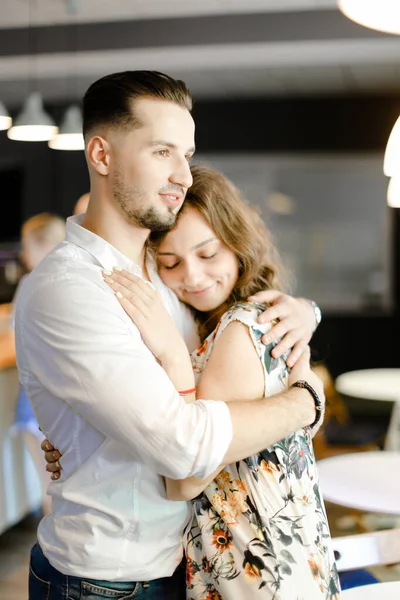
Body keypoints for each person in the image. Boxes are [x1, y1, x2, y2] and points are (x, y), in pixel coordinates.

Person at [14, 70, 324, 599]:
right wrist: (305, 403)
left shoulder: (161, 271)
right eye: (163, 152)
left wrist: (304, 310)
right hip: (105, 579)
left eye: (187, 153)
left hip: (182, 563)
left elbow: (227, 317)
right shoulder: (69, 290)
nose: (183, 173)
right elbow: (182, 449)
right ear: (102, 156)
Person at [11, 212, 66, 515]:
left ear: (44, 245)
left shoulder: (33, 281)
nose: (22, 254)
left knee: (47, 478)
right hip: (61, 392)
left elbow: (13, 328)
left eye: (26, 245)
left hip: (35, 396)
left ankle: (49, 535)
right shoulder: (70, 279)